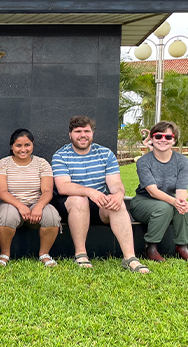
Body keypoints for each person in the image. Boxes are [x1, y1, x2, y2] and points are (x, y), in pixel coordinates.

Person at [52, 116, 150, 274]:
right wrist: (90, 192)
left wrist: (118, 194)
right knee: (80, 200)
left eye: (86, 131)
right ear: (70, 134)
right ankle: (81, 254)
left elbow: (115, 184)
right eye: (78, 131)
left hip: (98, 202)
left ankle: (130, 258)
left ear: (92, 133)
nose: (82, 135)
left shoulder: (105, 154)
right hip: (69, 203)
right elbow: (63, 187)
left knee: (117, 204)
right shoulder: (61, 155)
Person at [129, 121, 188, 262]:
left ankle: (182, 246)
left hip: (168, 200)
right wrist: (174, 201)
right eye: (158, 136)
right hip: (143, 201)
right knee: (165, 208)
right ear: (152, 139)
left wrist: (182, 201)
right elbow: (152, 191)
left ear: (174, 140)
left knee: (184, 209)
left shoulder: (182, 161)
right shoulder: (144, 161)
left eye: (168, 137)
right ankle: (151, 247)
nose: (163, 140)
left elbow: (182, 188)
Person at [0, 129, 60, 267]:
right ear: (12, 146)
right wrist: (20, 206)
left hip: (36, 203)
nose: (23, 149)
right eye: (18, 145)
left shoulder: (42, 164)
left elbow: (47, 191)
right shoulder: (2, 164)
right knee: (7, 216)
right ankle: (4, 254)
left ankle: (44, 254)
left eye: (27, 145)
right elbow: (2, 192)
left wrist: (39, 206)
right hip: (10, 203)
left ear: (32, 145)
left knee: (52, 216)